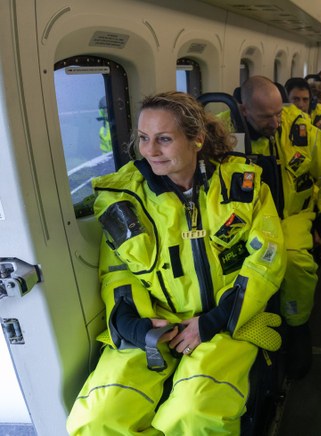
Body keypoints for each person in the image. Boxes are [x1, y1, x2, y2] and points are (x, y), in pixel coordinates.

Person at [66, 91, 286, 434]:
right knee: (95, 421)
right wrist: (132, 326)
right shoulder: (124, 198)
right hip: (154, 326)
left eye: (164, 139)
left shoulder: (244, 185)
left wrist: (213, 320)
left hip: (225, 321)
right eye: (143, 138)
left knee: (192, 412)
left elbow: (266, 261)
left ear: (196, 139)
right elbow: (117, 272)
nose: (150, 150)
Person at [240, 75, 321, 379]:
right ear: (245, 111)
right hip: (249, 219)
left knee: (295, 260)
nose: (275, 121)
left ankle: (298, 328)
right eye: (265, 117)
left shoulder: (301, 132)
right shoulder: (227, 135)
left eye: (277, 113)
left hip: (294, 214)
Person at [285, 77, 321, 171]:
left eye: (305, 100)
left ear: (311, 102)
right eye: (296, 99)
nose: (301, 105)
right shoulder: (278, 125)